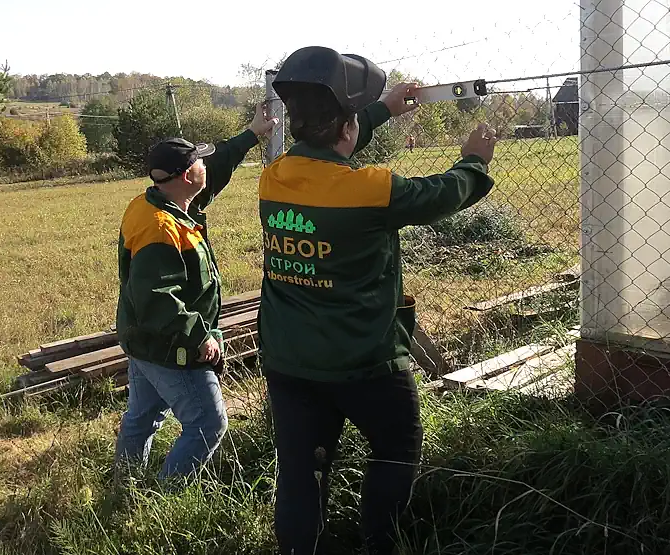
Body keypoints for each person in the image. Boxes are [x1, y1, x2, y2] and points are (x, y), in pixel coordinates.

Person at [258, 46, 499, 555]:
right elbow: (446, 193)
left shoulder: (274, 177)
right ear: (347, 127)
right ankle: (380, 544)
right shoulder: (373, 189)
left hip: (290, 357)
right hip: (363, 360)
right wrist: (474, 160)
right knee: (396, 446)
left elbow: (329, 144)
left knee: (300, 470)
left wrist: (382, 109)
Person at [112, 104, 278, 482]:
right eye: (200, 161)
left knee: (141, 416)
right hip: (170, 345)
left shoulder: (157, 201)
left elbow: (216, 167)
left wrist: (253, 133)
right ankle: (163, 497)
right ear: (188, 175)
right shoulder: (160, 228)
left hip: (143, 340)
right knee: (208, 423)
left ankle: (126, 487)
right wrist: (199, 336)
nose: (207, 164)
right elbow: (157, 296)